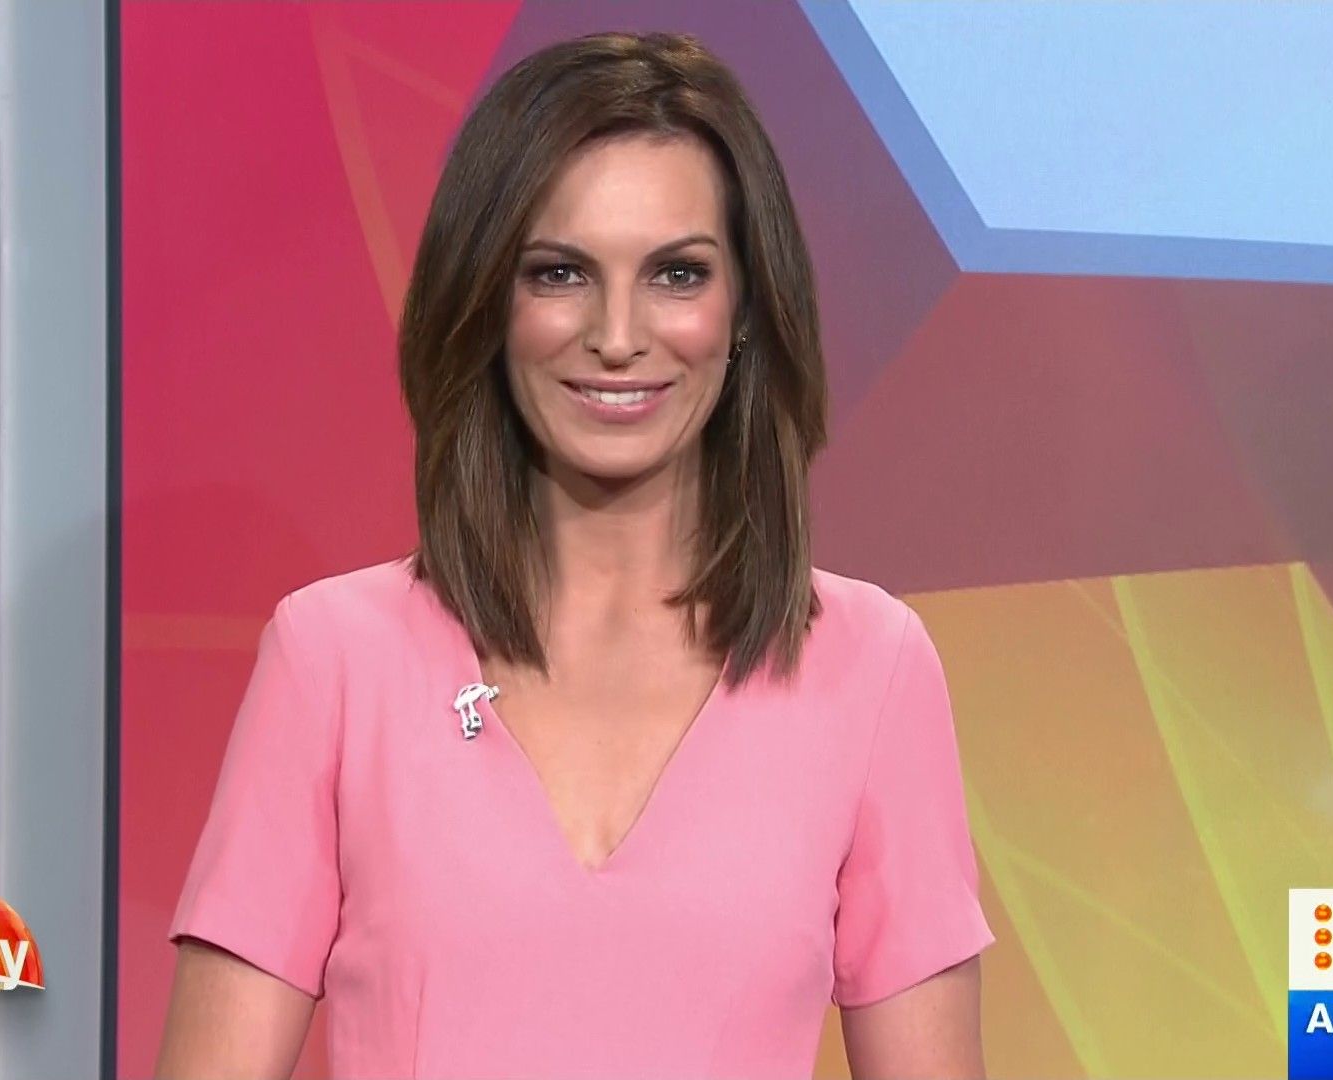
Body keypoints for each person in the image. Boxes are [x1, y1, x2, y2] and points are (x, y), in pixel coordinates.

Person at [154, 29, 994, 1080]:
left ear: (744, 311)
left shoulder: (872, 667)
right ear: (488, 304)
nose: (618, 335)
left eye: (677, 274)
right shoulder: (332, 656)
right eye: (560, 273)